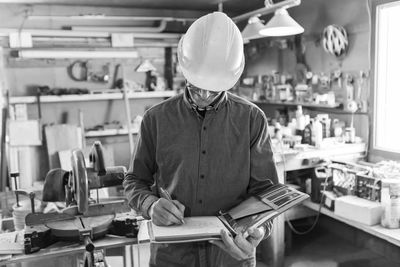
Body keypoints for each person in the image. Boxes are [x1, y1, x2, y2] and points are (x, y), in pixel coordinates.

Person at [123, 11, 279, 267]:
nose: (204, 94)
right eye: (196, 84)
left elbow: (267, 193)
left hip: (231, 256)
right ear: (184, 67)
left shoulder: (252, 119)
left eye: (214, 87)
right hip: (172, 256)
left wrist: (260, 230)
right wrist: (150, 205)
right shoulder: (156, 119)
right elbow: (134, 180)